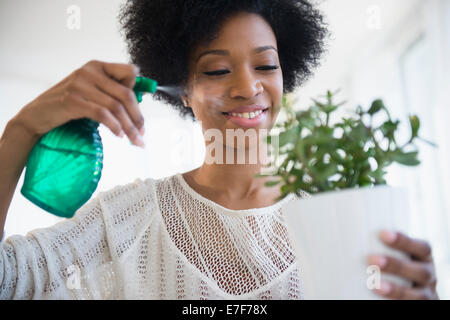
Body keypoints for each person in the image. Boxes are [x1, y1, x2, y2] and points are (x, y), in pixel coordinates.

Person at [0, 0, 439, 299]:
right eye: (217, 69)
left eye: (266, 65)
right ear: (183, 91)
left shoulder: (340, 214)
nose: (248, 87)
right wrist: (21, 128)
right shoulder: (124, 221)